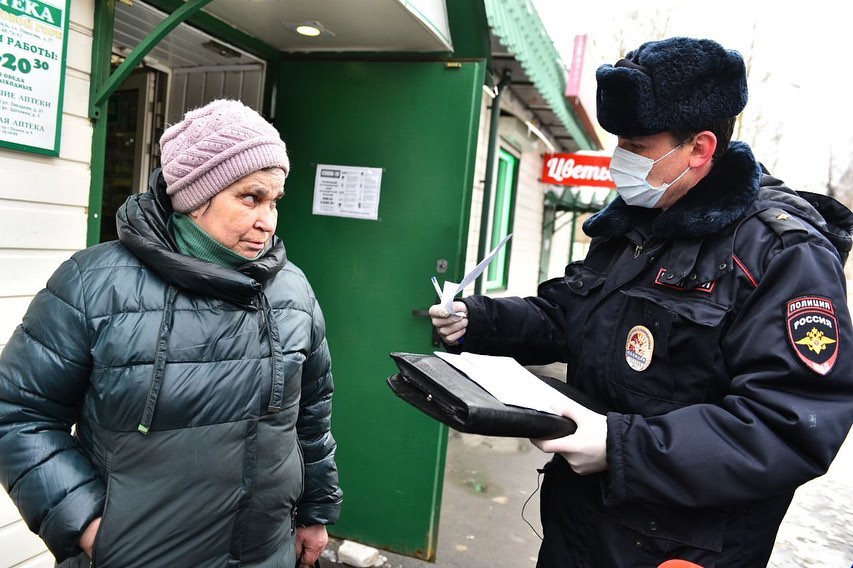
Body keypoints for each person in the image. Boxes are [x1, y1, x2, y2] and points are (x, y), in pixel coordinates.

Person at [431, 37, 853, 567]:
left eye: (638, 145)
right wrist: (478, 319)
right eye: (619, 143)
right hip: (581, 529)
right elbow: (568, 314)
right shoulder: (634, 226)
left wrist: (620, 445)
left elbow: (788, 425)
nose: (619, 160)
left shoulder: (781, 252)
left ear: (699, 149)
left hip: (680, 547)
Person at [0, 99, 342, 567]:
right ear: (194, 196)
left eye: (274, 201)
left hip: (265, 555)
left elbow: (311, 416)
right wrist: (89, 526)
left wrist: (315, 512)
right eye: (250, 197)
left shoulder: (291, 290)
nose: (268, 220)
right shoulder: (92, 284)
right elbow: (18, 414)